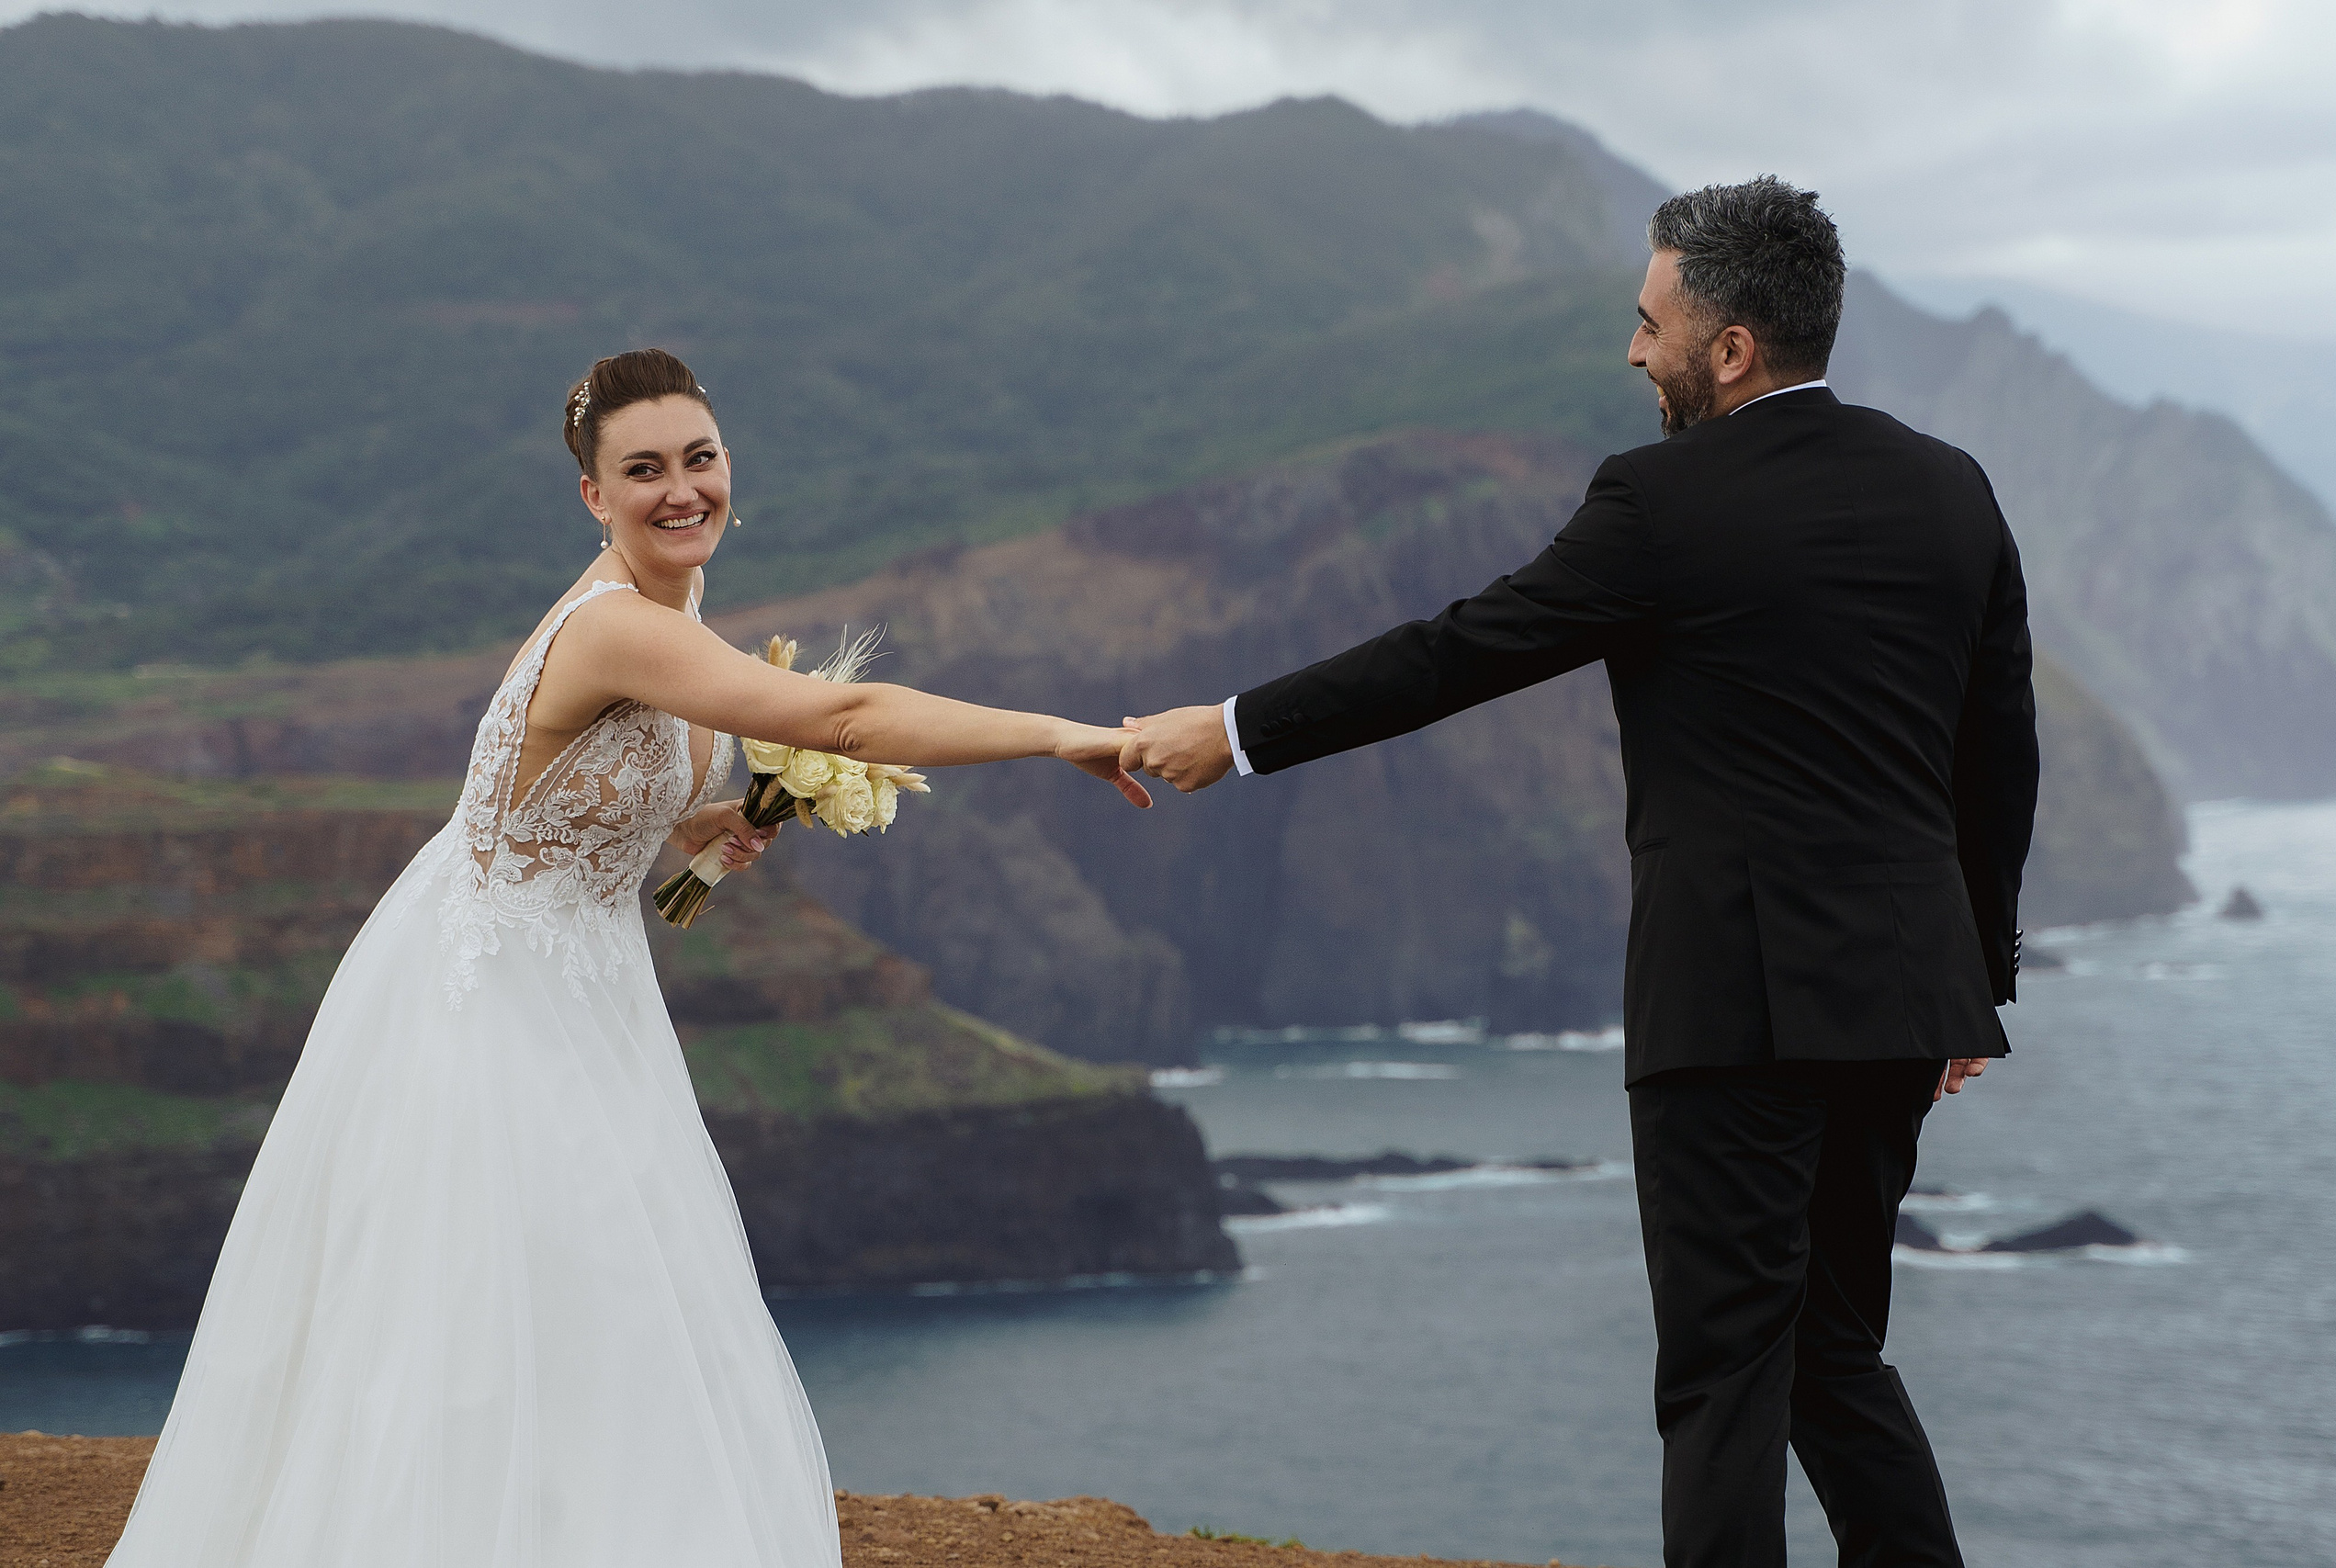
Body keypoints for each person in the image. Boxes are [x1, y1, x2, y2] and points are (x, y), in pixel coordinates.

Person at [1121, 177, 2037, 1568]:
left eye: (1649, 320)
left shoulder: (1663, 499)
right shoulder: (1951, 488)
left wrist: (1235, 730)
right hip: (1902, 1001)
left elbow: (1458, 650)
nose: (1632, 351)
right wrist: (1976, 976)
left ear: (1728, 347)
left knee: (1725, 1375)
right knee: (1837, 1355)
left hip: (1732, 1005)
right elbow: (1998, 755)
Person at [106, 347, 1148, 1568]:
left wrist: (692, 826)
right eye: (642, 470)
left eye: (697, 460)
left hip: (585, 981)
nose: (679, 489)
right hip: (493, 1000)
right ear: (593, 496)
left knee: (597, 1313)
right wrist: (1059, 736)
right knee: (533, 1311)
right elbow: (845, 718)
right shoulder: (614, 626)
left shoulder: (674, 612)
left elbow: (591, 786)